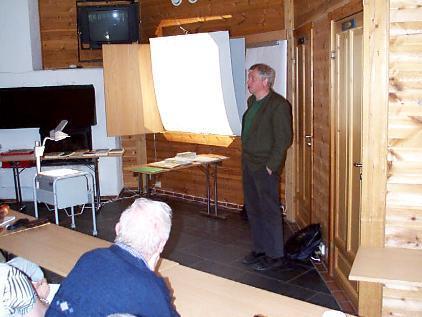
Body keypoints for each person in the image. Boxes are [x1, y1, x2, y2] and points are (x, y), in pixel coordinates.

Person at [46, 198, 179, 317]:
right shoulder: (149, 287)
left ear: (117, 229)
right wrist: (153, 280)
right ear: (162, 244)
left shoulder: (90, 257)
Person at [241, 63, 293, 271]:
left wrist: (272, 166)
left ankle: (275, 255)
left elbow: (283, 139)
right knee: (253, 208)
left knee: (269, 210)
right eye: (249, 78)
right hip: (248, 162)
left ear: (265, 81)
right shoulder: (252, 101)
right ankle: (260, 249)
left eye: (252, 78)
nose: (248, 82)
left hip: (264, 166)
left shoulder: (279, 105)